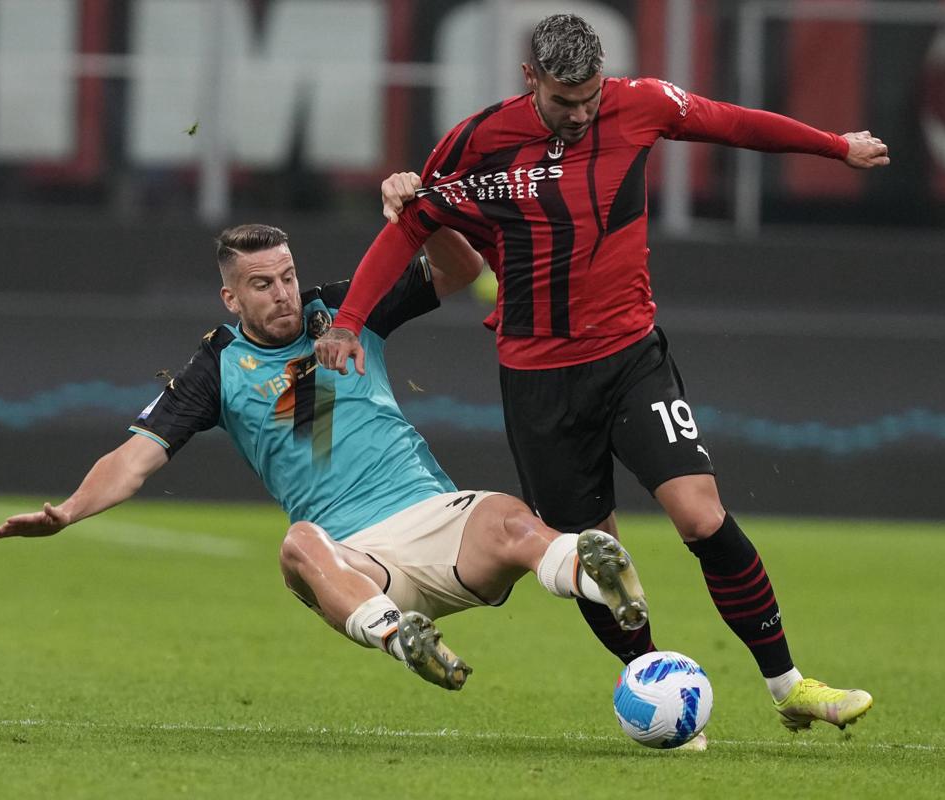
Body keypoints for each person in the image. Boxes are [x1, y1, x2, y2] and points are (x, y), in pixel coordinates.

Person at [314, 13, 887, 731]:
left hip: (630, 359)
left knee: (701, 516)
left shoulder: (639, 103)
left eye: (590, 98)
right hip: (538, 382)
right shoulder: (476, 141)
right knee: (594, 553)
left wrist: (835, 146)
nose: (581, 114)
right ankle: (654, 689)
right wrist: (350, 317)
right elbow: (411, 222)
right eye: (564, 101)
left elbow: (732, 123)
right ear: (531, 78)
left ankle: (790, 686)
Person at [0, 223, 650, 692]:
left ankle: (594, 572)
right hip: (356, 561)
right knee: (298, 543)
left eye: (287, 276)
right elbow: (134, 460)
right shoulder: (214, 368)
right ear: (231, 299)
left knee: (508, 515)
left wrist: (421, 215)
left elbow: (460, 271)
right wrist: (70, 511)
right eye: (261, 284)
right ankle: (402, 638)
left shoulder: (342, 307)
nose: (282, 293)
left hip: (436, 520)